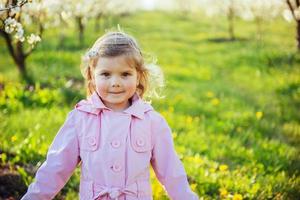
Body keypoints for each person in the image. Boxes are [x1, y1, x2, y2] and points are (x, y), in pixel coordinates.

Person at [21, 31, 199, 200]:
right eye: (105, 74)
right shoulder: (80, 120)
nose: (115, 83)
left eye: (125, 74)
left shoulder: (152, 122)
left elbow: (172, 173)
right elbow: (55, 169)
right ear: (92, 76)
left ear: (138, 77)